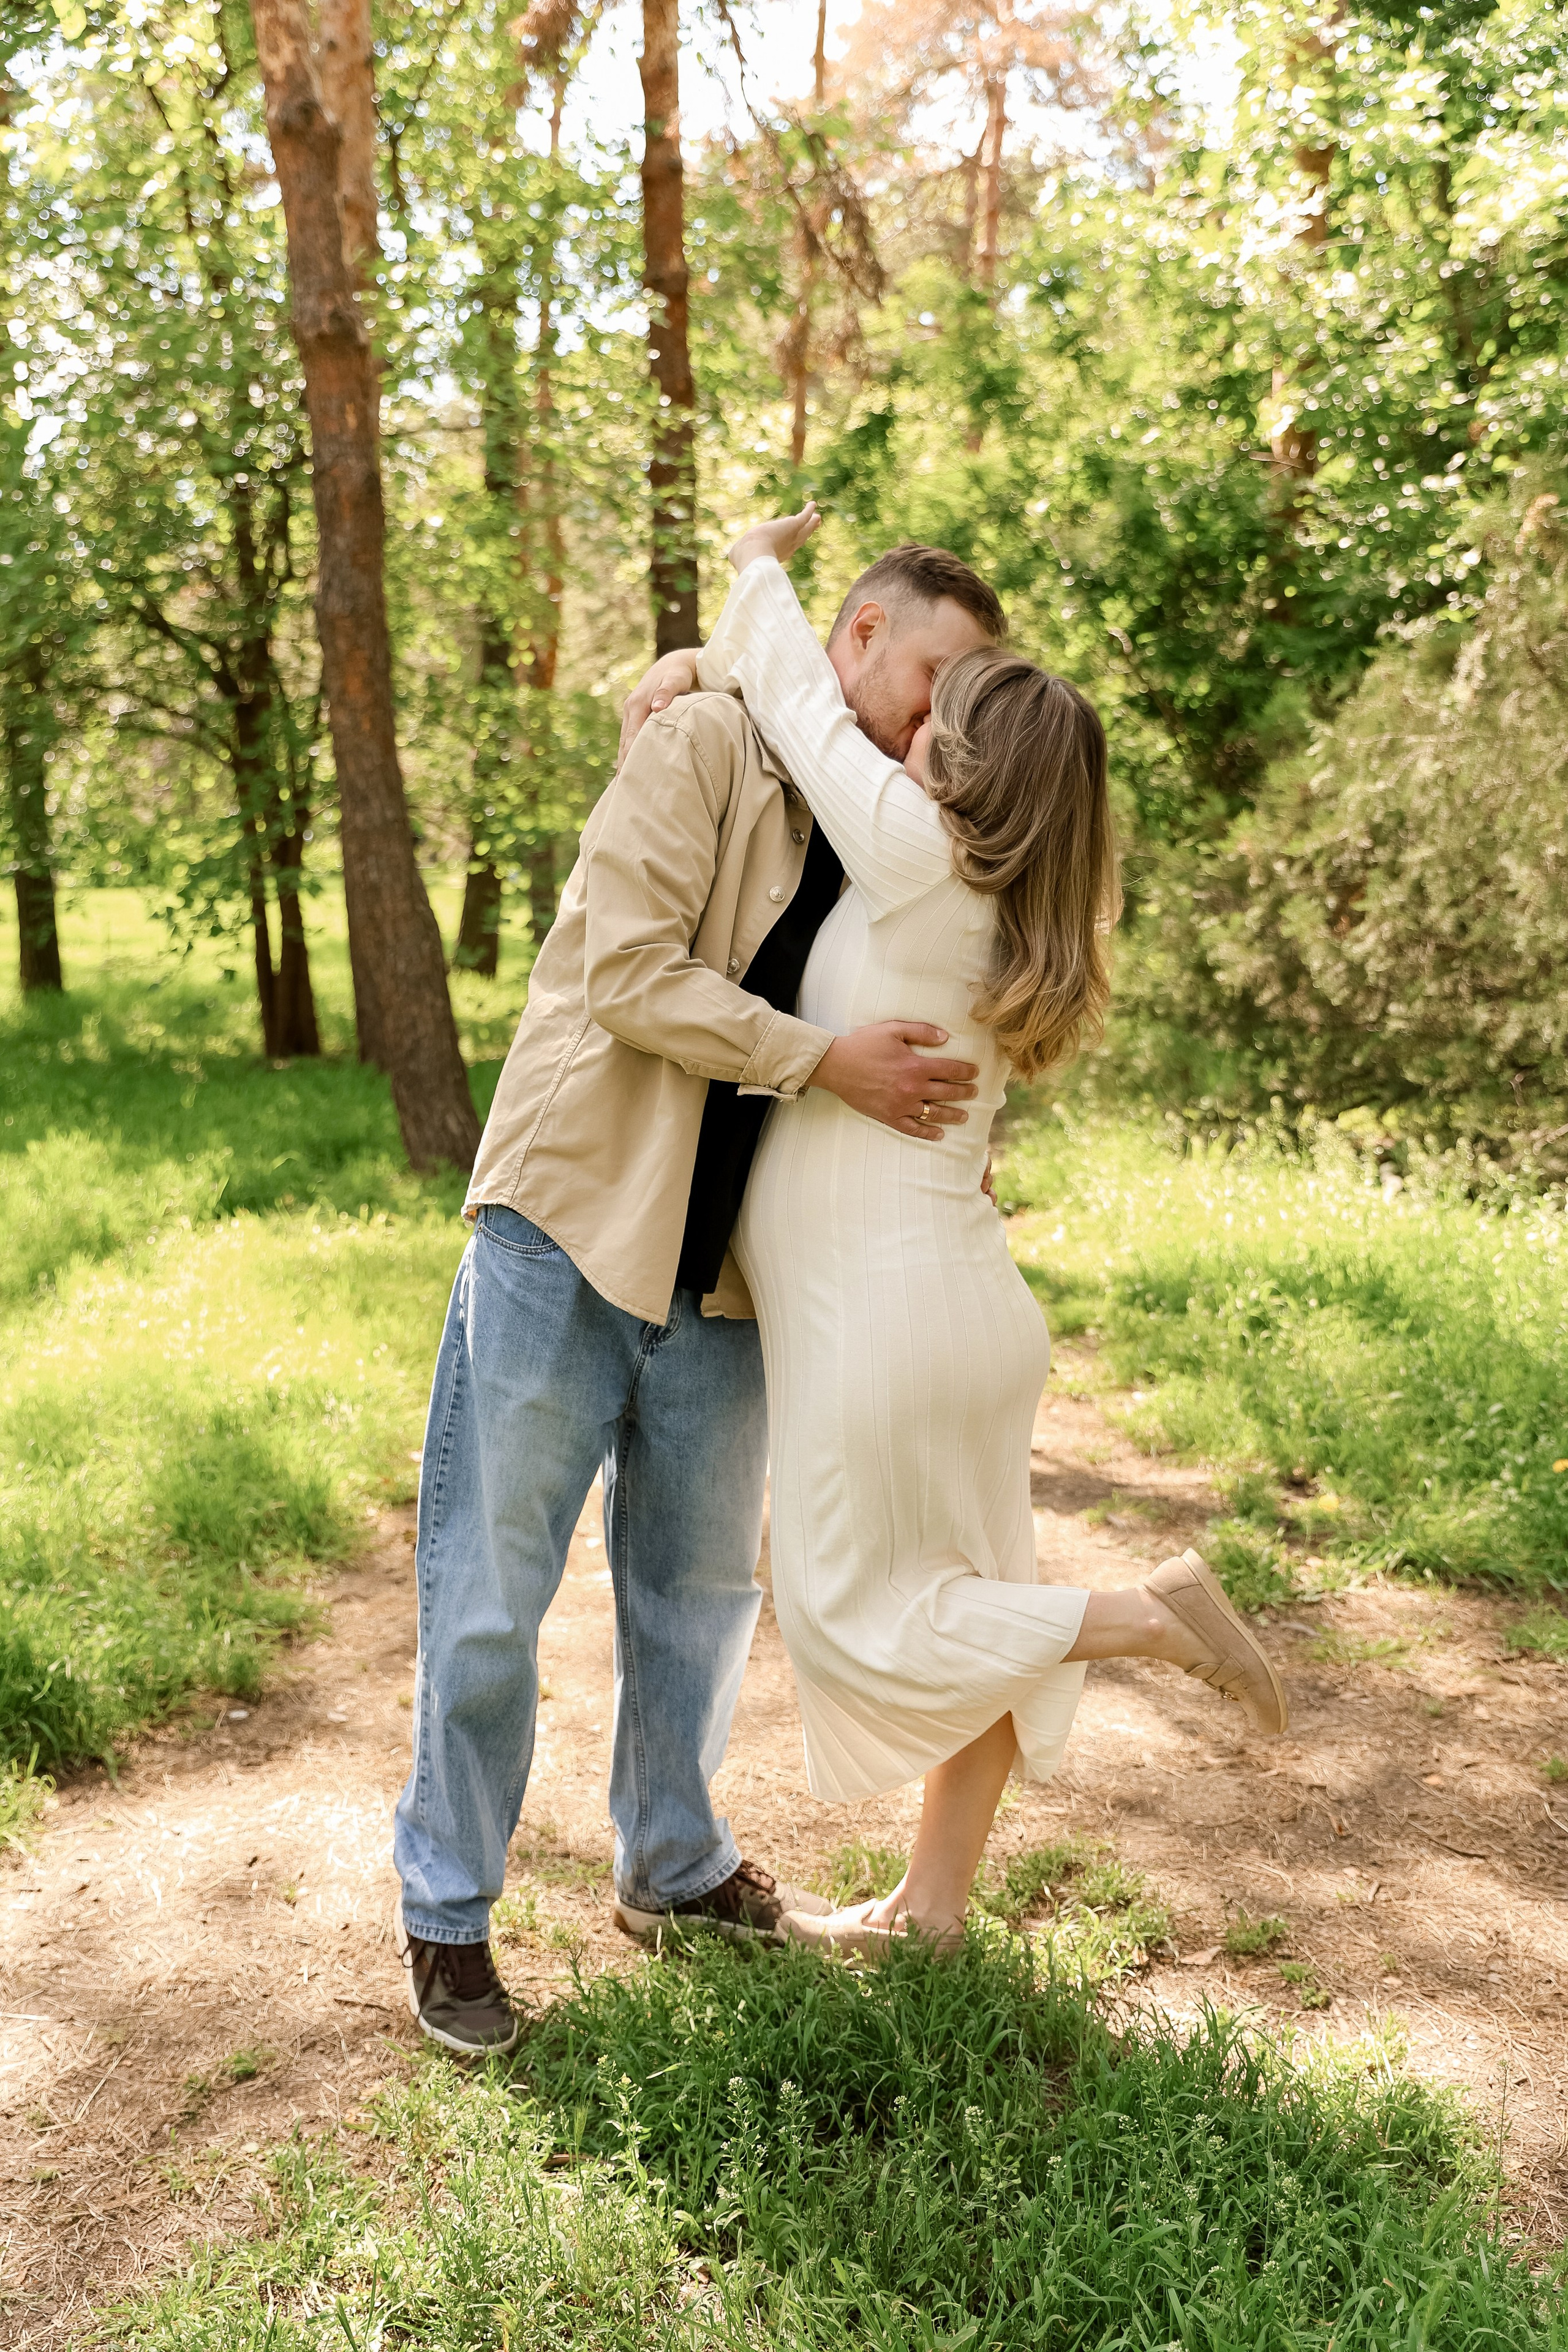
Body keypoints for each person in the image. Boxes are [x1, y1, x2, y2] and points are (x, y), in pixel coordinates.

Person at [391, 536, 1009, 2052]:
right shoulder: (702, 743)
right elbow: (625, 974)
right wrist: (820, 1062)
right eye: (933, 675)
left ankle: (670, 1867)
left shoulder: (889, 819)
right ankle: (448, 1914)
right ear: (857, 633)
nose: (942, 715)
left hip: (733, 1270)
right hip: (573, 1221)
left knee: (701, 1597)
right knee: (490, 1597)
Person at [664, 505, 1287, 1954]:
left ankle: (1147, 1616)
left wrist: (754, 565)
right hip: (957, 1308)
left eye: (937, 719)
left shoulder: (913, 851)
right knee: (975, 1593)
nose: (908, 731)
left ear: (968, 767)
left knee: (852, 1617)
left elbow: (797, 691)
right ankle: (933, 1909)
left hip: (883, 1315)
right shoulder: (1014, 912)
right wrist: (680, 669)